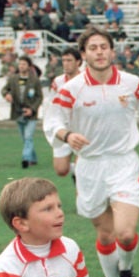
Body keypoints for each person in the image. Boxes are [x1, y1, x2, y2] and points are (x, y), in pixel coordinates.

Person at [44, 25, 139, 277]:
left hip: (124, 163)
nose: (99, 52)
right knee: (106, 235)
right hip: (90, 167)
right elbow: (53, 122)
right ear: (84, 54)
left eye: (103, 47)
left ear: (112, 50)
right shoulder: (71, 89)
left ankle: (126, 269)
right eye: (92, 48)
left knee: (126, 233)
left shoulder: (133, 83)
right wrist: (68, 136)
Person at [3, 56, 45, 169]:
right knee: (25, 138)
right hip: (18, 112)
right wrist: (7, 95)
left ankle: (25, 159)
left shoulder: (34, 80)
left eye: (24, 64)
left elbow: (39, 97)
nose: (21, 66)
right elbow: (4, 89)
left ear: (29, 66)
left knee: (28, 136)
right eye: (20, 64)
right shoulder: (13, 79)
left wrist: (32, 109)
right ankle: (33, 158)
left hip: (31, 114)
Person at [48, 47, 81, 179]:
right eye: (64, 60)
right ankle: (74, 170)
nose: (66, 64)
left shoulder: (85, 79)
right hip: (63, 128)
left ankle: (79, 174)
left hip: (81, 127)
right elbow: (52, 104)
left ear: (78, 62)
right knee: (61, 170)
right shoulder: (58, 81)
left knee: (82, 171)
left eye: (69, 60)